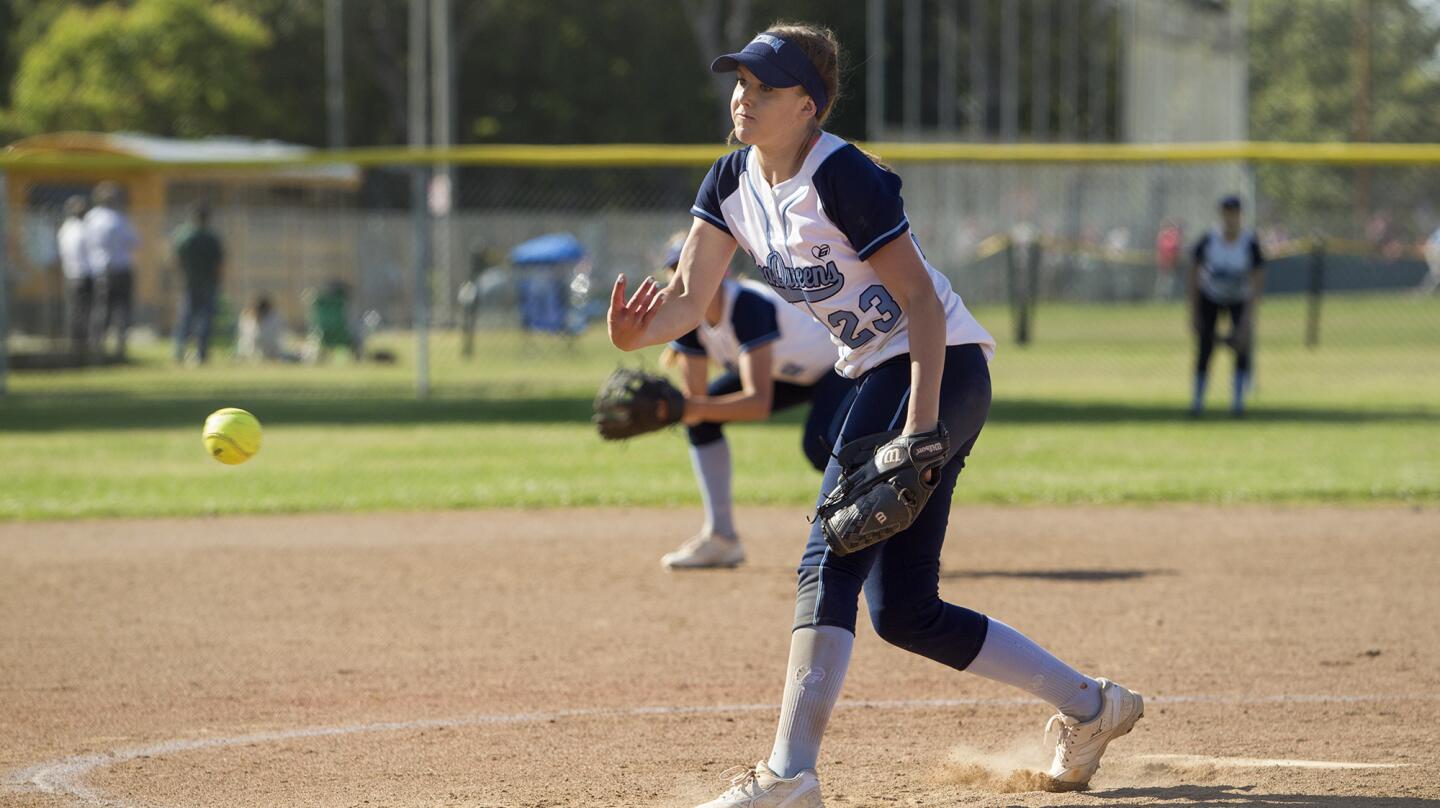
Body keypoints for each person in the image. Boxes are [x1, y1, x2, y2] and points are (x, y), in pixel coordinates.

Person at [607, 23, 1143, 807]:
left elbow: (921, 301)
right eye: (740, 83)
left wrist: (920, 427)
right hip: (883, 372)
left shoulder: (844, 176)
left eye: (764, 86)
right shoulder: (730, 182)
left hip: (940, 365)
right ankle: (1094, 708)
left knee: (828, 555)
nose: (743, 97)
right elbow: (688, 298)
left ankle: (790, 776)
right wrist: (636, 332)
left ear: (808, 105)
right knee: (906, 614)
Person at [654, 231, 856, 570]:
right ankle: (721, 538)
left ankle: (882, 531)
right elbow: (696, 406)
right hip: (789, 373)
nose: (688, 276)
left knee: (822, 446)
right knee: (703, 420)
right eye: (679, 268)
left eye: (697, 266)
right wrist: (668, 411)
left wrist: (686, 408)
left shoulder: (747, 305)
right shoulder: (687, 320)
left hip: (836, 367)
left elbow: (757, 402)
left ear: (722, 270)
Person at [1187, 195, 1265, 417]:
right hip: (1210, 296)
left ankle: (1238, 403)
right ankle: (1197, 402)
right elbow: (1193, 271)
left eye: (1234, 213)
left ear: (1240, 215)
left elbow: (1258, 278)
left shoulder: (1249, 242)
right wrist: (1193, 311)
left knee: (1241, 348)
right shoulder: (1209, 239)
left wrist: (1248, 317)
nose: (1230, 218)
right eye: (1226, 213)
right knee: (1205, 348)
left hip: (1239, 297)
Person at [84, 181, 140, 361]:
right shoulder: (118, 218)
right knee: (121, 309)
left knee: (102, 309)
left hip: (100, 269)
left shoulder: (90, 218)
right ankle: (118, 348)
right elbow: (134, 241)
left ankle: (97, 347)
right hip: (120, 268)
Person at [172, 202, 224, 365]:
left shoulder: (184, 235)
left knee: (185, 318)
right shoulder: (211, 238)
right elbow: (219, 264)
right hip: (208, 282)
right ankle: (201, 354)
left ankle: (179, 351)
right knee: (205, 319)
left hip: (189, 282)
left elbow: (175, 258)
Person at [56, 195, 93, 355]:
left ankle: (75, 342)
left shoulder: (64, 229)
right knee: (84, 311)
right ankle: (82, 344)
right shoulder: (82, 229)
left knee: (74, 310)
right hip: (83, 273)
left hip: (69, 273)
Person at [236, 294, 299, 362]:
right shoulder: (274, 317)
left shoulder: (246, 317)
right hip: (271, 354)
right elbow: (287, 333)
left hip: (249, 354)